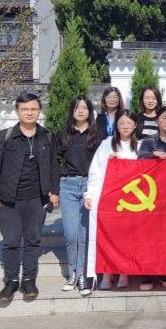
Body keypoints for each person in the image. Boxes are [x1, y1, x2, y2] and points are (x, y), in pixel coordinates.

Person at [0, 92, 60, 302]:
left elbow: (54, 166)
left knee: (33, 240)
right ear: (17, 111)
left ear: (39, 111)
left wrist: (55, 192)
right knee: (10, 241)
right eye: (25, 109)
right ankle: (10, 281)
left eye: (33, 109)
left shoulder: (47, 136)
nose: (29, 112)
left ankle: (29, 280)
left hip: (37, 198)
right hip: (10, 199)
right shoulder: (4, 137)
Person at [84, 109, 141, 290]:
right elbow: (95, 171)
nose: (125, 126)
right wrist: (90, 194)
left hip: (130, 201)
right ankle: (107, 272)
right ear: (116, 125)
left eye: (129, 123)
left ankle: (124, 272)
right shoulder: (106, 143)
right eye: (122, 123)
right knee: (107, 236)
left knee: (125, 237)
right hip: (108, 197)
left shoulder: (140, 146)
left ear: (135, 126)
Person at [57, 95, 101, 297]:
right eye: (77, 108)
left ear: (90, 111)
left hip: (89, 186)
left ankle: (82, 275)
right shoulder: (63, 135)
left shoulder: (97, 135)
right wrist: (54, 190)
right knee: (70, 234)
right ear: (72, 111)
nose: (81, 111)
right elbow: (54, 161)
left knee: (84, 235)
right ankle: (72, 273)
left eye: (84, 107)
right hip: (68, 185)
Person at [137, 106, 166, 291]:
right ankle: (147, 273)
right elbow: (138, 164)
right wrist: (152, 155)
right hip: (152, 197)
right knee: (149, 236)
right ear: (157, 121)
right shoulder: (148, 142)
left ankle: (165, 271)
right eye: (164, 117)